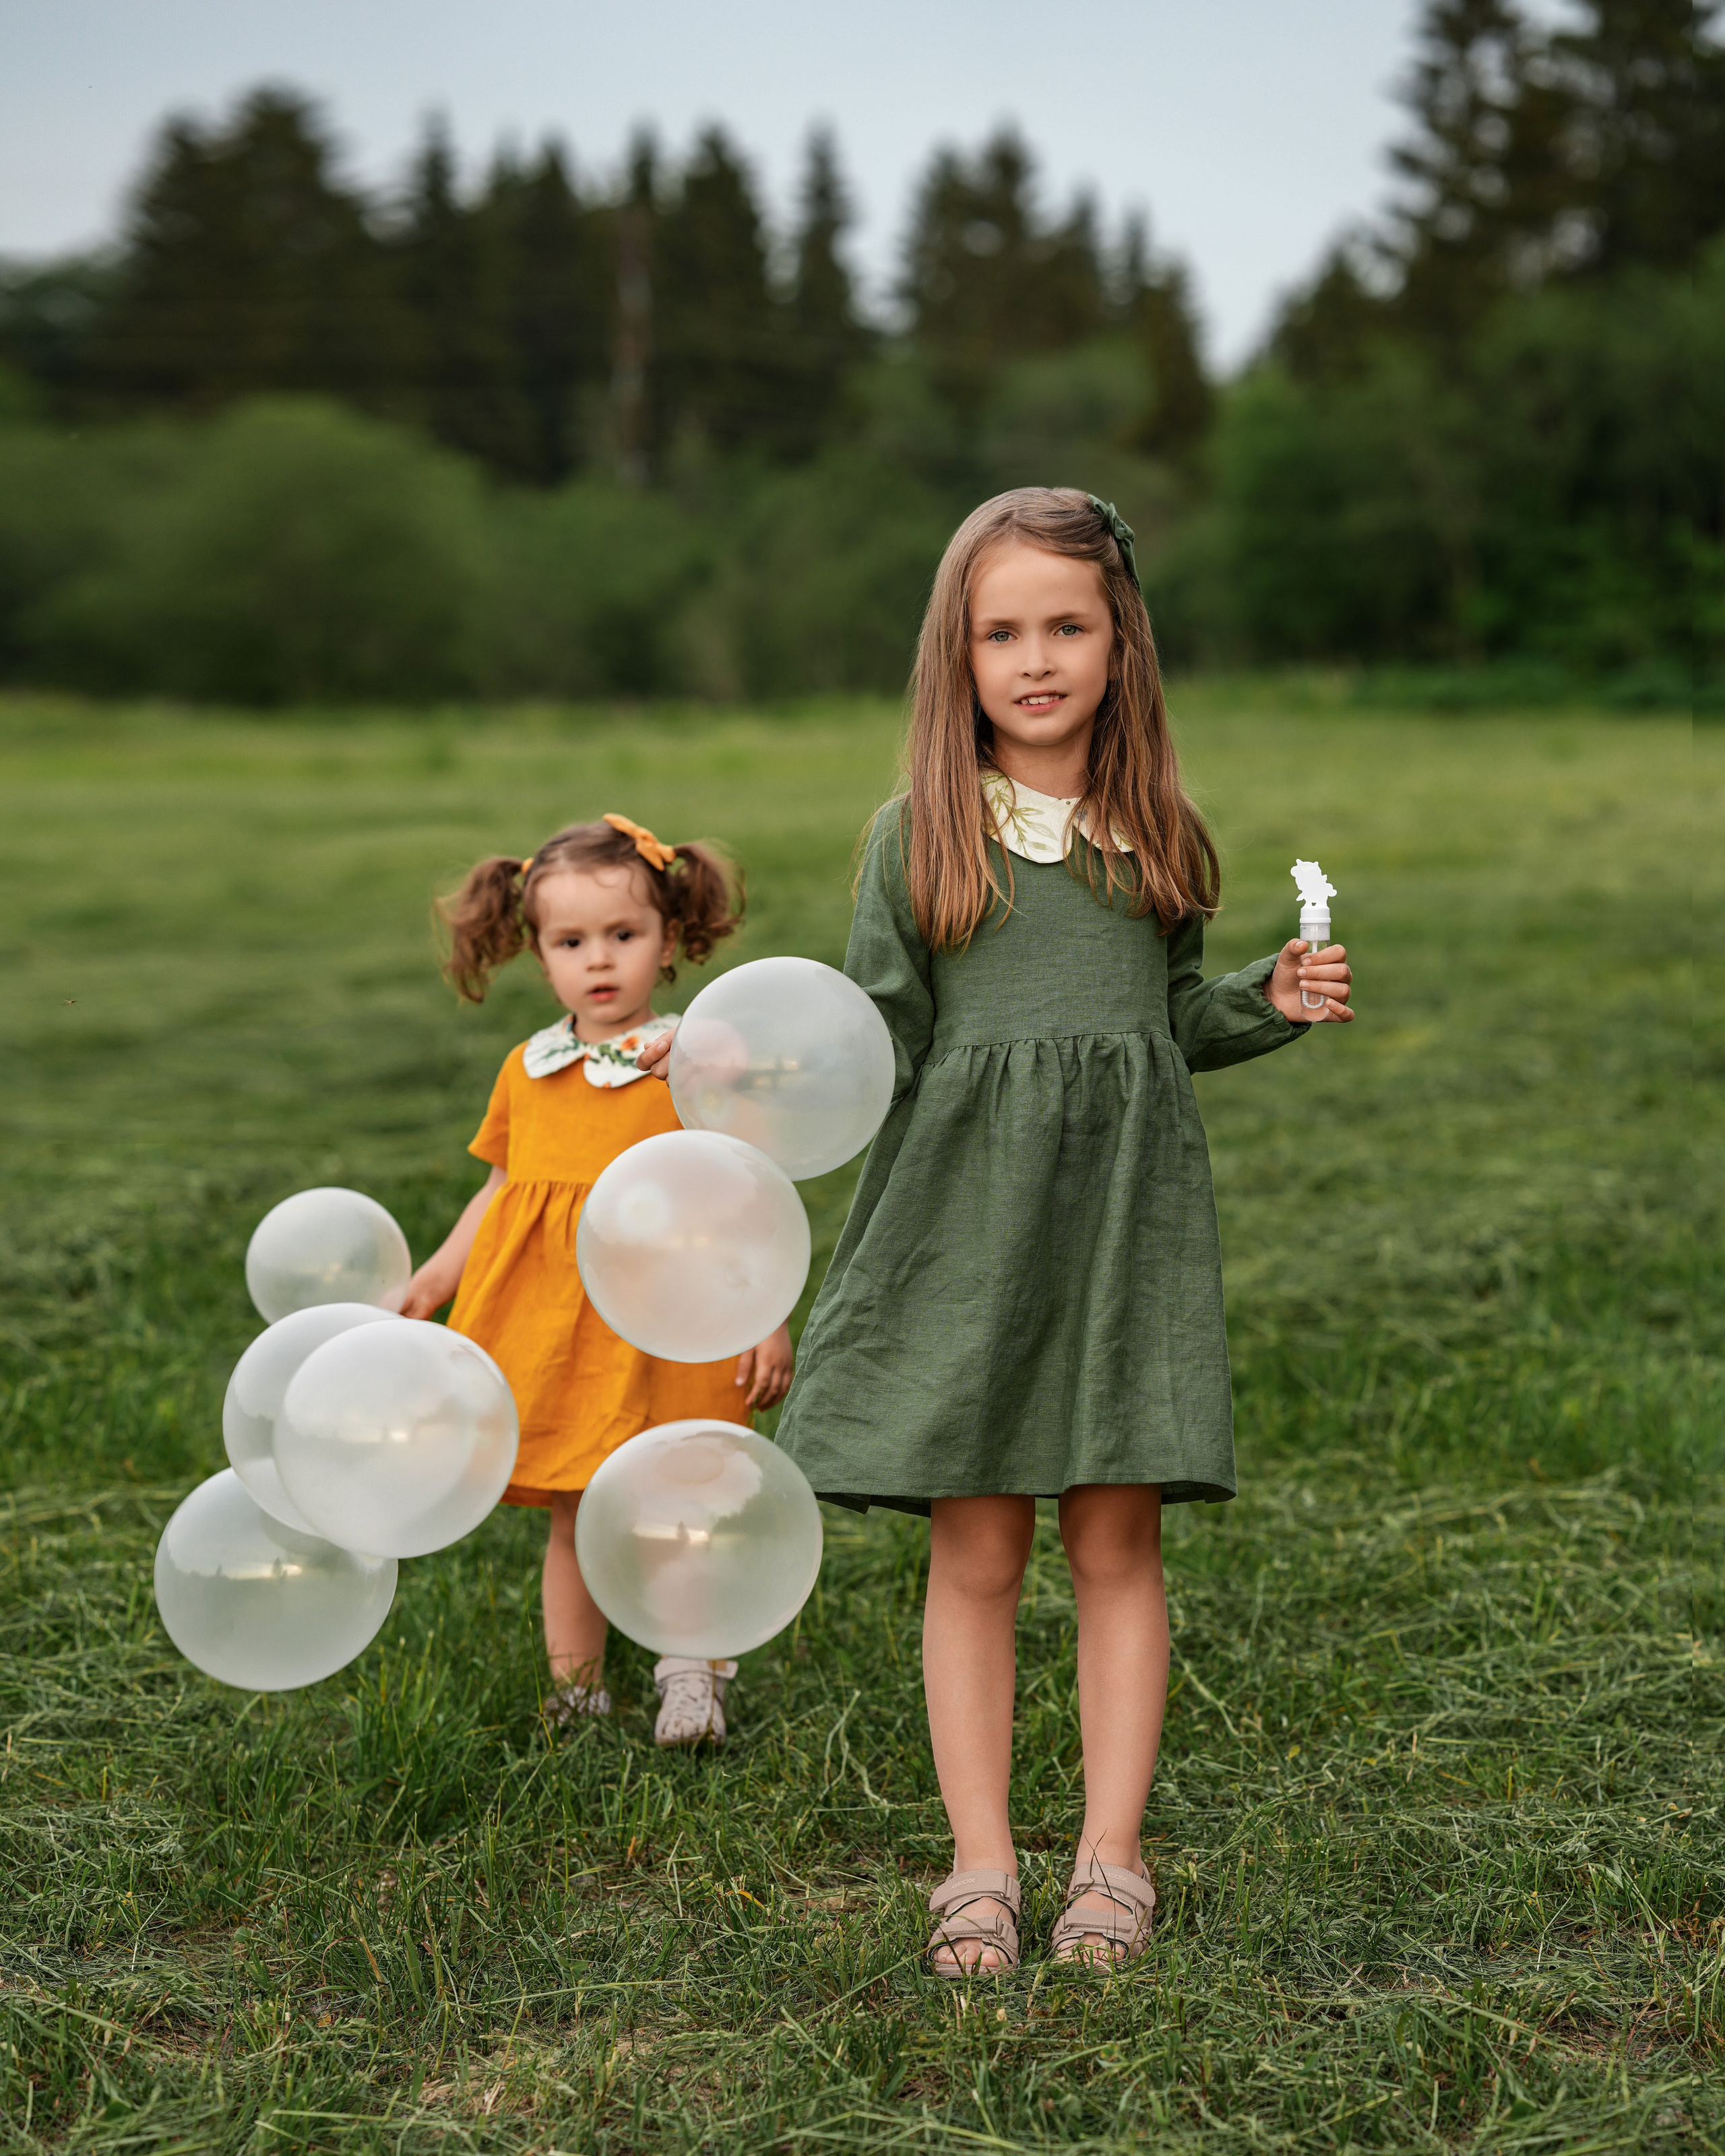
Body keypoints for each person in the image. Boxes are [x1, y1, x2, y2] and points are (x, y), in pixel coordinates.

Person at [653, 489, 1354, 1969]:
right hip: (965, 1232)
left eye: (1066, 626)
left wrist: (1259, 1004)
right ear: (955, 655)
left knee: (1115, 1535)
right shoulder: (921, 838)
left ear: (1120, 643)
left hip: (1121, 1235)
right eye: (1001, 631)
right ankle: (979, 1860)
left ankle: (1109, 1855)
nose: (1035, 658)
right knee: (973, 1546)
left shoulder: (1156, 830)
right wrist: (746, 1096)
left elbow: (1158, 1023)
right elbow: (866, 1051)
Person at [403, 814, 793, 1748]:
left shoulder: (691, 1066)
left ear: (669, 942)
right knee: (577, 1515)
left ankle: (690, 1676)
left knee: (680, 1503)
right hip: (564, 1331)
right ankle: (575, 1694)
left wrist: (765, 1315)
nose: (599, 960)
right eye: (570, 942)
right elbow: (501, 1191)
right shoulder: (527, 1072)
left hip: (674, 1322)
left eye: (624, 935)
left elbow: (748, 1200)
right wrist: (435, 1280)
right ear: (538, 955)